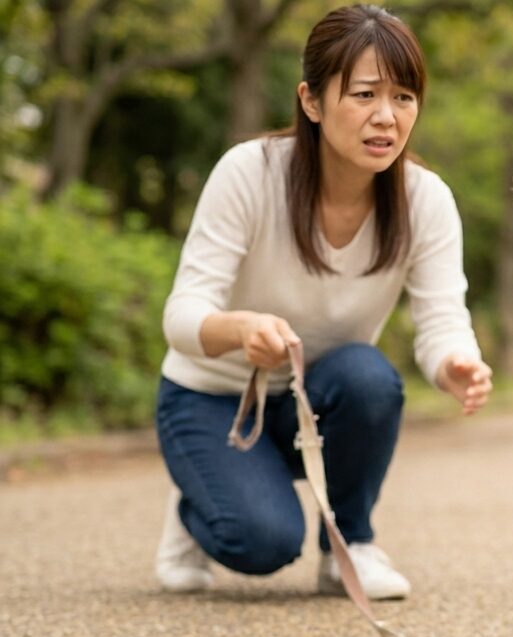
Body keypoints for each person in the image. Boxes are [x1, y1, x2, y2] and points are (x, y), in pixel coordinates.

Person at [154, 4, 491, 600]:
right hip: (210, 398)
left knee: (369, 377)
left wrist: (455, 363)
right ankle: (197, 505)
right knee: (263, 543)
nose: (386, 116)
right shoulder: (249, 173)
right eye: (364, 94)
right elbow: (181, 317)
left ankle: (349, 547)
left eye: (404, 97)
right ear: (311, 101)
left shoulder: (426, 200)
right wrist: (240, 328)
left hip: (315, 401)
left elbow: (442, 320)